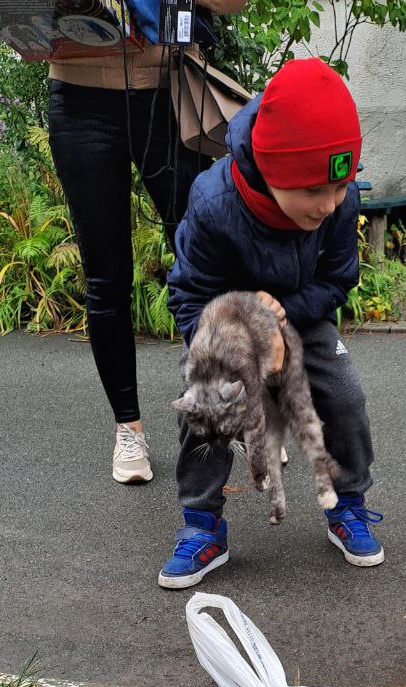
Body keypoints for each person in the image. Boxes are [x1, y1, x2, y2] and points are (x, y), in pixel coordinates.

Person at [0, 0, 246, 485]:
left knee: (205, 263)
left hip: (167, 96)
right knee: (106, 277)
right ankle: (128, 428)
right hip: (80, 105)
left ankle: (227, 402)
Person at [159, 56, 383, 589]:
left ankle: (348, 503)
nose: (329, 205)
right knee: (205, 403)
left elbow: (338, 280)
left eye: (339, 187)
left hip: (303, 317)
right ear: (273, 169)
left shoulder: (339, 200)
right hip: (227, 327)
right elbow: (188, 295)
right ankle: (202, 524)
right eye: (314, 191)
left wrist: (283, 317)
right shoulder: (214, 203)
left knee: (345, 395)